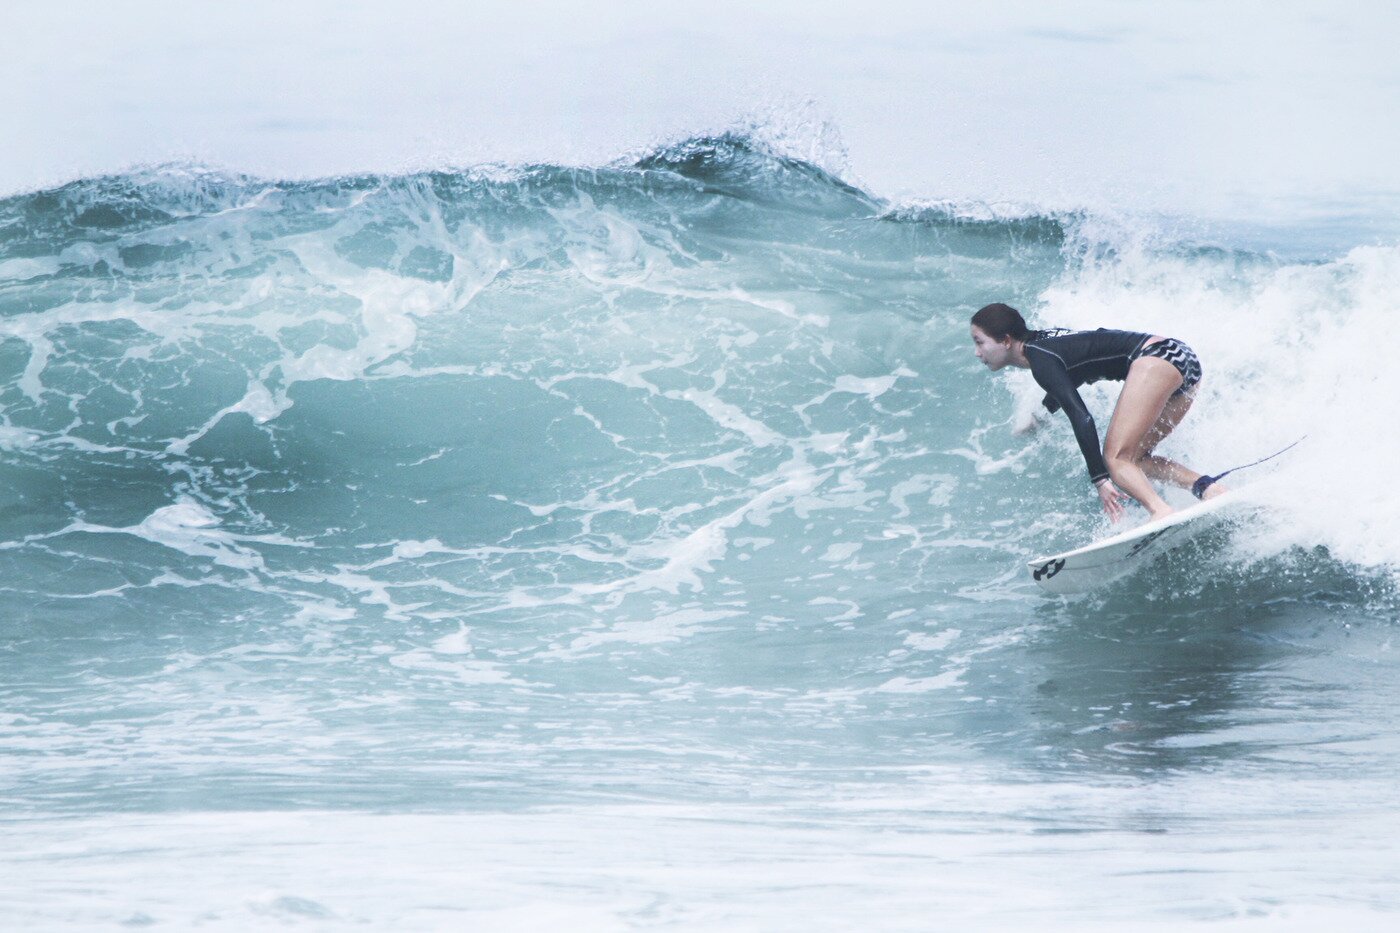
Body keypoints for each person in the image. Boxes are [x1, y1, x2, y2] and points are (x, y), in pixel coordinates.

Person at [969, 302, 1225, 522]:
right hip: (1181, 357)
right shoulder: (1046, 344)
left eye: (980, 342)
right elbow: (1078, 371)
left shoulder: (1040, 359)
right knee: (1136, 460)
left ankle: (1160, 511)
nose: (977, 352)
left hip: (1156, 359)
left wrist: (1100, 479)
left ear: (1005, 341)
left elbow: (1081, 417)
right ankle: (1207, 488)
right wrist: (1042, 414)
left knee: (1115, 460)